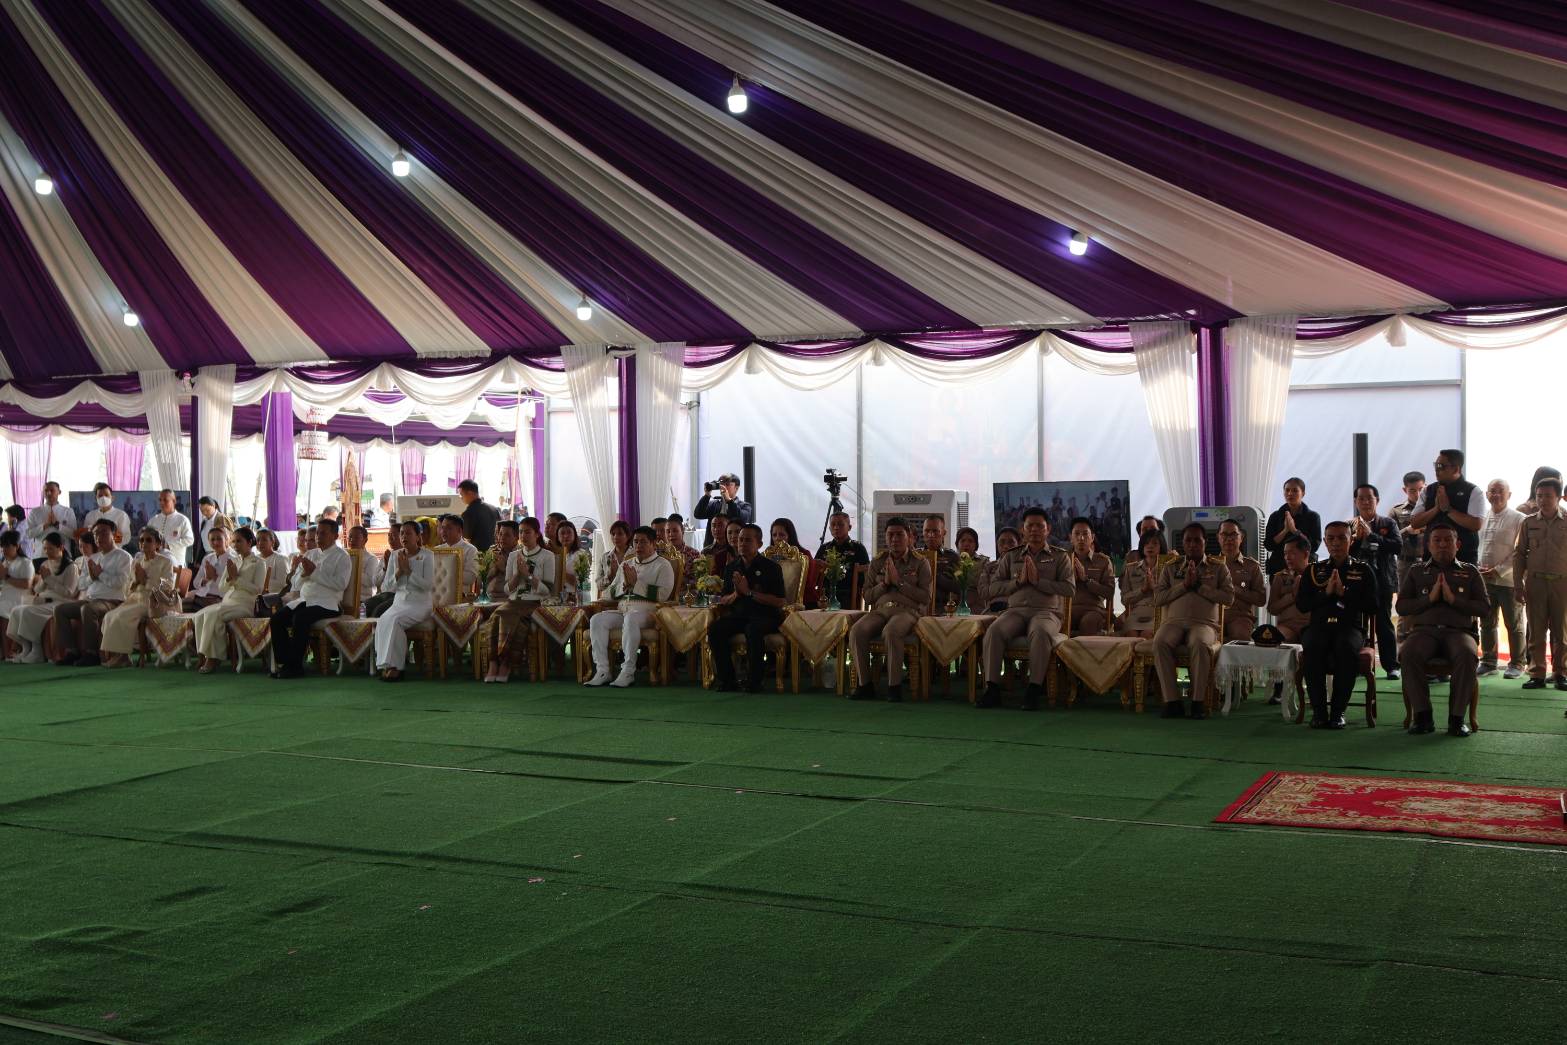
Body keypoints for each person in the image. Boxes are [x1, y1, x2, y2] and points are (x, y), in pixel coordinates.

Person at [976, 508, 1075, 710]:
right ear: (1023, 529)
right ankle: (992, 688)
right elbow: (993, 588)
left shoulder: (1060, 556)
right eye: (1030, 526)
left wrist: (1039, 582)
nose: (1034, 530)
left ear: (1048, 529)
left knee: (1039, 632)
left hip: (1046, 612)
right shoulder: (1011, 556)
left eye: (1040, 526)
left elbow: (1069, 589)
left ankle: (1033, 689)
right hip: (1016, 611)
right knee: (994, 631)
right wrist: (1017, 582)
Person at [1397, 520, 1489, 737]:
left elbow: (1484, 608)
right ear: (1428, 545)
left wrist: (1453, 599)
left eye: (1448, 540)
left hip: (1459, 632)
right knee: (1408, 653)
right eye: (1437, 540)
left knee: (1467, 654)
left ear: (1458, 545)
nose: (1442, 545)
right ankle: (1423, 717)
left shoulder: (1470, 571)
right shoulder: (1417, 571)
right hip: (1424, 632)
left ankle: (1457, 719)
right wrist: (1429, 599)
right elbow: (1402, 606)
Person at [1297, 520, 1379, 729]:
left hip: (1349, 627)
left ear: (1351, 541)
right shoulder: (1313, 570)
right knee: (1313, 645)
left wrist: (1344, 593)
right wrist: (1326, 594)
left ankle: (1338, 712)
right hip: (1319, 627)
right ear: (1325, 542)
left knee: (1345, 646)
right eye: (1331, 538)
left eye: (1342, 538)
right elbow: (1302, 605)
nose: (1336, 543)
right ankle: (1319, 712)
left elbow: (1373, 606)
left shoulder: (1363, 570)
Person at [1151, 523, 1235, 719]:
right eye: (1188, 540)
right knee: (1160, 642)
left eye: (1197, 540)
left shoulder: (1218, 567)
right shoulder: (1171, 567)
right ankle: (1173, 701)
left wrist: (1199, 587)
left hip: (1204, 624)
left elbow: (1229, 598)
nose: (1192, 544)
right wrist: (1184, 586)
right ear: (1182, 543)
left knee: (1199, 643)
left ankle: (1198, 702)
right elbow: (1158, 599)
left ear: (1205, 542)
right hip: (1173, 623)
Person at [849, 517, 933, 702]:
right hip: (880, 611)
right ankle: (865, 685)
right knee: (857, 631)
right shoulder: (878, 561)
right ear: (885, 537)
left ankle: (894, 687)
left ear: (909, 537)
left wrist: (899, 582)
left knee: (891, 631)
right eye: (890, 535)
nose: (895, 539)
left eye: (899, 534)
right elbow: (867, 596)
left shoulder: (920, 562)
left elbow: (926, 597)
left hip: (907, 612)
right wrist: (885, 584)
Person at [586, 525, 674, 688]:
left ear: (653, 543)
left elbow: (663, 594)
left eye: (643, 542)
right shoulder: (626, 564)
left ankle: (628, 671)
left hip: (648, 613)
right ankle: (603, 671)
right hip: (624, 610)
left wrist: (636, 584)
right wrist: (624, 586)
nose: (638, 545)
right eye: (635, 542)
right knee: (597, 620)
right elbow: (609, 592)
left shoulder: (663, 565)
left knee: (631, 619)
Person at [705, 524, 786, 692]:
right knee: (715, 629)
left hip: (765, 616)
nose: (742, 543)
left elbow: (780, 601)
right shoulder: (732, 567)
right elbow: (724, 598)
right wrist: (736, 593)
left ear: (759, 544)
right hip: (739, 615)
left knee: (753, 629)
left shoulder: (771, 567)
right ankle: (727, 680)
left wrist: (749, 592)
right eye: (740, 540)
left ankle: (754, 682)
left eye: (748, 540)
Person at [270, 518, 350, 678]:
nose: (318, 537)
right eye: (317, 533)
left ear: (335, 536)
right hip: (305, 600)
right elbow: (295, 584)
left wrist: (314, 573)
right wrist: (304, 574)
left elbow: (341, 584)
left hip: (328, 604)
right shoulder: (310, 554)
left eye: (323, 533)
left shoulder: (342, 556)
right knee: (277, 619)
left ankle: (295, 667)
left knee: (300, 618)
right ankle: (285, 663)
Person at [1514, 476, 1567, 692]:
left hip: (1562, 584)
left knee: (1561, 632)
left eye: (1548, 496)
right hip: (1535, 583)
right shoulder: (1528, 522)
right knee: (1536, 631)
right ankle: (1536, 674)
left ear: (1558, 497)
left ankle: (1561, 673)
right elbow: (1519, 555)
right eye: (1539, 496)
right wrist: (1518, 584)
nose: (1543, 500)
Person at [53, 520, 130, 666]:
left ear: (114, 534)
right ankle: (72, 651)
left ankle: (92, 653)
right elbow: (81, 584)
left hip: (113, 601)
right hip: (91, 599)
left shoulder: (123, 556)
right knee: (60, 610)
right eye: (95, 534)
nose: (98, 537)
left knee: (88, 609)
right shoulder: (94, 558)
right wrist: (92, 577)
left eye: (103, 532)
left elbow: (121, 583)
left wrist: (101, 574)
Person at [486, 519, 552, 684]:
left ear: (537, 534)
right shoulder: (514, 556)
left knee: (508, 616)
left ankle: (505, 664)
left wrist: (528, 576)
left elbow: (547, 591)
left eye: (527, 532)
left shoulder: (547, 556)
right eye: (521, 532)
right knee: (496, 616)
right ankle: (493, 663)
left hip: (534, 603)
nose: (523, 535)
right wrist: (517, 575)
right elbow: (507, 590)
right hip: (513, 602)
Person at [99, 529, 178, 668]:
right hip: (134, 598)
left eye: (148, 540)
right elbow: (126, 588)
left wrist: (145, 580)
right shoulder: (136, 561)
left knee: (120, 617)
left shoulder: (165, 562)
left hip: (153, 601)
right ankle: (117, 655)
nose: (144, 543)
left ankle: (123, 657)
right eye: (141, 540)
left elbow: (167, 587)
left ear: (158, 544)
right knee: (109, 616)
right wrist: (136, 582)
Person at [194, 527, 265, 674]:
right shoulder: (233, 561)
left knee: (213, 615)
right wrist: (228, 578)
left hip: (245, 605)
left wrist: (236, 579)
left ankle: (213, 658)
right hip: (228, 602)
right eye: (233, 541)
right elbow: (222, 587)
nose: (235, 545)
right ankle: (203, 653)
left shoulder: (259, 563)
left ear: (249, 542)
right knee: (199, 615)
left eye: (239, 541)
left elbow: (258, 589)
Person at [1348, 484, 1401, 678]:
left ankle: (1391, 666)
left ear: (1377, 500)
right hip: (1356, 582)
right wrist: (1355, 540)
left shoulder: (1388, 523)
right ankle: (1357, 664)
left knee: (1383, 624)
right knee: (1355, 623)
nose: (1365, 502)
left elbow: (1397, 546)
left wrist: (1371, 535)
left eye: (1369, 498)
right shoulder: (1349, 525)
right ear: (1355, 502)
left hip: (1383, 581)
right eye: (1361, 498)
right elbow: (1343, 552)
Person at [1476, 479, 1525, 679]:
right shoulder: (1481, 517)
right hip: (1483, 580)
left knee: (1513, 624)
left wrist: (1499, 571)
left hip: (1508, 581)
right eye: (1492, 491)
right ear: (1487, 494)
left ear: (1509, 495)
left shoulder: (1519, 518)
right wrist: (1478, 567)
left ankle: (1517, 663)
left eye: (1500, 491)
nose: (1496, 495)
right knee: (1486, 622)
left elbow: (1521, 551)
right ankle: (1488, 662)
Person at [374, 521, 434, 682]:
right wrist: (399, 572)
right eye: (401, 533)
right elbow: (387, 587)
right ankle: (388, 664)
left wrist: (409, 572)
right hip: (399, 602)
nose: (403, 537)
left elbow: (428, 586)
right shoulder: (395, 555)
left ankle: (396, 668)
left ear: (418, 536)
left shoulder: (427, 555)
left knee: (395, 621)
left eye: (408, 533)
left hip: (420, 603)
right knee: (383, 620)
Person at [8, 533, 76, 663]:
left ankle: (37, 650)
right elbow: (37, 589)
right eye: (45, 548)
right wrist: (43, 580)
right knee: (16, 610)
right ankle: (26, 648)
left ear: (61, 547)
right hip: (43, 601)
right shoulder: (45, 563)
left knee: (27, 611)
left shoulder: (70, 566)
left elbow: (69, 593)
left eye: (50, 548)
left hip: (60, 603)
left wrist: (49, 579)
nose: (47, 552)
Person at [1410, 449, 1484, 565]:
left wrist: (1448, 509)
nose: (1437, 470)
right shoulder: (1428, 490)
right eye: (1435, 465)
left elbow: (1476, 524)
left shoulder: (1473, 491)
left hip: (1464, 558)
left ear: (1456, 469)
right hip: (1431, 559)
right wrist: (1436, 509)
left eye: (1441, 466)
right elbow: (1414, 522)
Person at [1216, 519, 1265, 643]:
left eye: (1233, 534)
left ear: (1241, 537)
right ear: (1218, 537)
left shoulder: (1252, 566)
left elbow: (1261, 599)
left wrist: (1237, 590)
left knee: (1241, 639)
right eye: (1224, 534)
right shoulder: (1209, 564)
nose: (1229, 539)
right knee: (1203, 638)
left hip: (1240, 617)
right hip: (1213, 615)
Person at [1067, 517, 1115, 636]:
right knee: (1054, 623)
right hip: (1067, 609)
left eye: (1085, 534)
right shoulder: (1063, 560)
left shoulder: (1103, 561)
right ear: (1070, 538)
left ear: (1092, 537)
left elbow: (1109, 592)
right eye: (1077, 534)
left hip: (1093, 610)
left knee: (1088, 623)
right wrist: (1069, 579)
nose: (1081, 538)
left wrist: (1087, 580)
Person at [1264, 477, 1321, 576]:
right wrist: (1285, 531)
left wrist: (1295, 531)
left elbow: (1314, 546)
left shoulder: (1313, 517)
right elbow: (1268, 545)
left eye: (1295, 490)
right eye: (1287, 490)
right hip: (1279, 567)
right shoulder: (1275, 516)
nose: (1290, 493)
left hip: (1304, 569)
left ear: (1303, 493)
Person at [1118, 529, 1166, 638]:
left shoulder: (1167, 568)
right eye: (1146, 543)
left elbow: (1170, 596)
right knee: (1131, 635)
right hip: (1136, 613)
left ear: (1161, 546)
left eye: (1154, 543)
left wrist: (1154, 588)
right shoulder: (1131, 569)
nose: (1150, 546)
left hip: (1158, 612)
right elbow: (1124, 599)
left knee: (1147, 635)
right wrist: (1142, 590)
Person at [1389, 470, 1426, 604]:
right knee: (1405, 603)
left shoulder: (1432, 509)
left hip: (1428, 562)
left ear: (1426, 487)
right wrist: (1407, 531)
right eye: (1412, 491)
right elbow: (1389, 539)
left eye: (1421, 489)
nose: (1418, 494)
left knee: (1428, 601)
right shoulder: (1396, 511)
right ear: (1405, 490)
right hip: (1405, 563)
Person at [1267, 537, 1312, 643]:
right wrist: (1292, 596)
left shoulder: (1316, 576)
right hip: (1286, 627)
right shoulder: (1280, 577)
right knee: (1279, 638)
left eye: (1292, 553)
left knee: (1313, 640)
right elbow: (1272, 609)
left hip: (1311, 626)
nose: (1287, 557)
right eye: (1285, 553)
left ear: (1305, 554)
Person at [694, 473, 753, 550]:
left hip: (734, 548)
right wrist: (707, 495)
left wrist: (729, 501)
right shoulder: (714, 504)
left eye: (727, 484)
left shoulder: (744, 506)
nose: (723, 487)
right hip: (712, 547)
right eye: (721, 484)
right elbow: (698, 514)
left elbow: (741, 518)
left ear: (736, 488)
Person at [769, 518, 820, 605]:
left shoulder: (803, 555)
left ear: (790, 535)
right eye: (774, 535)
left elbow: (807, 584)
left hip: (804, 601)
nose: (777, 538)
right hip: (776, 601)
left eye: (781, 535)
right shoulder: (769, 556)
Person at [184, 528, 234, 613]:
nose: (216, 542)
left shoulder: (232, 559)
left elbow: (230, 587)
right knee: (178, 606)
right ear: (209, 542)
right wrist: (206, 580)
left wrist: (215, 577)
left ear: (226, 539)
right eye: (212, 539)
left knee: (198, 613)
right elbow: (195, 583)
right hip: (202, 595)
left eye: (219, 539)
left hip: (220, 598)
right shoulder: (208, 558)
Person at [26, 482, 75, 561]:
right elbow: (28, 534)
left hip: (63, 555)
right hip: (41, 555)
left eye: (52, 490)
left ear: (59, 492)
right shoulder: (35, 512)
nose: (49, 493)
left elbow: (74, 535)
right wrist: (44, 526)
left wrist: (57, 525)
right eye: (46, 491)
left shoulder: (68, 511)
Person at [921, 516, 961, 611]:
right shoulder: (916, 556)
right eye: (927, 531)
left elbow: (959, 586)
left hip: (944, 608)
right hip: (919, 608)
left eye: (935, 531)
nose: (931, 535)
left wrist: (935, 575)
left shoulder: (953, 557)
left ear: (944, 533)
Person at [0, 532, 35, 643]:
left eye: (7, 546)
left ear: (17, 546)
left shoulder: (25, 562)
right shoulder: (4, 563)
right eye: (2, 546)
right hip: (5, 597)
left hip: (19, 600)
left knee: (2, 610)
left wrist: (6, 577)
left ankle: (9, 650)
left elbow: (27, 584)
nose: (4, 549)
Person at [144, 489, 194, 565]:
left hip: (175, 563)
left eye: (165, 500)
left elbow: (189, 540)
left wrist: (169, 545)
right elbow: (146, 539)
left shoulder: (182, 520)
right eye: (160, 500)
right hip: (155, 564)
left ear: (174, 501)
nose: (162, 503)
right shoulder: (153, 520)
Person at [980, 528, 1020, 614]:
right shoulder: (989, 567)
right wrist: (1013, 585)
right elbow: (984, 592)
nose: (1006, 546)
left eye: (1011, 542)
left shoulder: (1024, 565)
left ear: (1019, 545)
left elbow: (1024, 592)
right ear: (997, 545)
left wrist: (996, 588)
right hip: (992, 610)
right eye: (1002, 542)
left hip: (1017, 610)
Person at [346, 525, 383, 611]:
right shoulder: (344, 555)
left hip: (362, 600)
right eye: (350, 537)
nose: (352, 540)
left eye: (356, 537)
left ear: (365, 540)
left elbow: (370, 582)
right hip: (344, 598)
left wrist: (353, 568)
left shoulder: (371, 558)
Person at [457, 479, 500, 552]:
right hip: (495, 552)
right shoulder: (494, 509)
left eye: (461, 494)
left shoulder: (468, 513)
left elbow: (467, 540)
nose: (460, 498)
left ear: (470, 493)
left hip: (478, 554)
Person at [954, 526, 989, 612]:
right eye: (962, 541)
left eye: (970, 541)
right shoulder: (952, 561)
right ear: (957, 544)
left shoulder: (984, 562)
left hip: (977, 609)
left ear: (976, 545)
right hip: (953, 609)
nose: (966, 544)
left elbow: (983, 585)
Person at [664, 516, 701, 595]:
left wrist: (682, 581)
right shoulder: (661, 554)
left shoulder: (694, 553)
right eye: (668, 531)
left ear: (682, 531)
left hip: (686, 594)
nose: (671, 534)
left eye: (675, 531)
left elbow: (699, 580)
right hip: (664, 593)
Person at [595, 521, 632, 595]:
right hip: (609, 598)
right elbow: (598, 586)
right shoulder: (605, 557)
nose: (615, 537)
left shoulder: (635, 555)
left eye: (620, 534)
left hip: (629, 598)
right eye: (613, 534)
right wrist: (609, 576)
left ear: (628, 536)